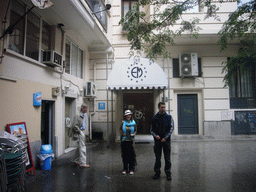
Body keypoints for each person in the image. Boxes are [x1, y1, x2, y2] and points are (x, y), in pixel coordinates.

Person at [151, 102, 174, 180]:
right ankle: (157, 173)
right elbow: (151, 130)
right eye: (162, 107)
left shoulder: (169, 117)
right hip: (157, 141)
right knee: (158, 158)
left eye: (164, 107)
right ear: (158, 107)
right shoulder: (155, 118)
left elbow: (171, 128)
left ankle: (168, 173)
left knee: (167, 158)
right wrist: (155, 136)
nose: (163, 109)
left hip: (166, 141)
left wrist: (165, 137)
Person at [70, 103, 90, 168]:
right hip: (80, 132)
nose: (87, 110)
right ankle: (83, 163)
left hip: (82, 131)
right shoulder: (78, 115)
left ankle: (74, 160)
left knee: (80, 147)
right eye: (86, 108)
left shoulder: (83, 115)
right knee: (82, 148)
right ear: (82, 108)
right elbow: (74, 125)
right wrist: (79, 132)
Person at [120, 110, 137, 175]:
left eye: (129, 115)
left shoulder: (133, 122)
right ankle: (125, 168)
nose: (128, 116)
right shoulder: (123, 122)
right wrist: (122, 133)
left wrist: (134, 134)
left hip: (131, 141)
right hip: (124, 141)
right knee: (124, 155)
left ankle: (131, 169)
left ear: (131, 115)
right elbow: (120, 129)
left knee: (131, 155)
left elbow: (135, 130)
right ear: (125, 116)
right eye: (127, 115)